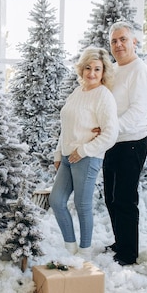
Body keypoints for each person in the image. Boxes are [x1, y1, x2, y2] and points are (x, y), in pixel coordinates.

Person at [49, 47, 119, 259]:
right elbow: (66, 126)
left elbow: (111, 133)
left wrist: (84, 150)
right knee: (56, 201)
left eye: (97, 69)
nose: (91, 73)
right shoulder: (77, 92)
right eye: (88, 68)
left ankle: (85, 251)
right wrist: (59, 154)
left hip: (87, 158)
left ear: (103, 72)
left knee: (82, 205)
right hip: (68, 158)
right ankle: (70, 248)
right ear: (81, 69)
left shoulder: (104, 96)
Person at [102, 21, 147, 266]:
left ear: (134, 41)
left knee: (124, 199)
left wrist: (110, 130)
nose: (119, 44)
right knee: (110, 199)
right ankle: (119, 242)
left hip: (131, 143)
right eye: (114, 41)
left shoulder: (139, 71)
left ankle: (128, 254)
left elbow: (137, 111)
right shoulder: (113, 70)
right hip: (111, 143)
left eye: (123, 39)